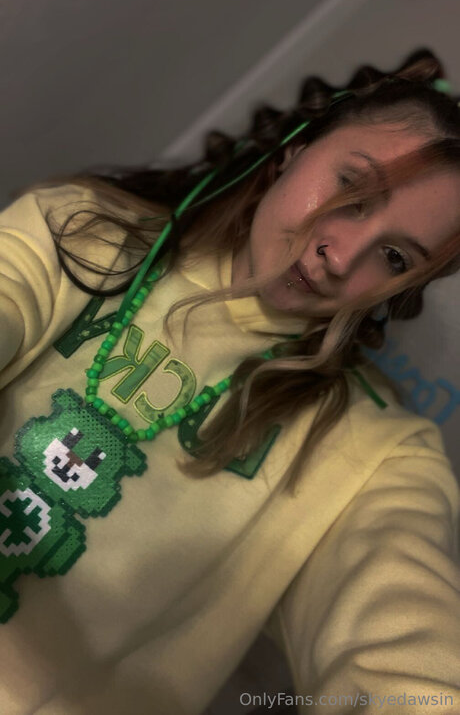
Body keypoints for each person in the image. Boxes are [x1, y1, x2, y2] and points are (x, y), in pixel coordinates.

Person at [0, 48, 459, 715]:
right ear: (294, 151)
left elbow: (402, 645)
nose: (341, 257)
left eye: (393, 256)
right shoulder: (82, 232)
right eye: (352, 193)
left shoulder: (377, 453)